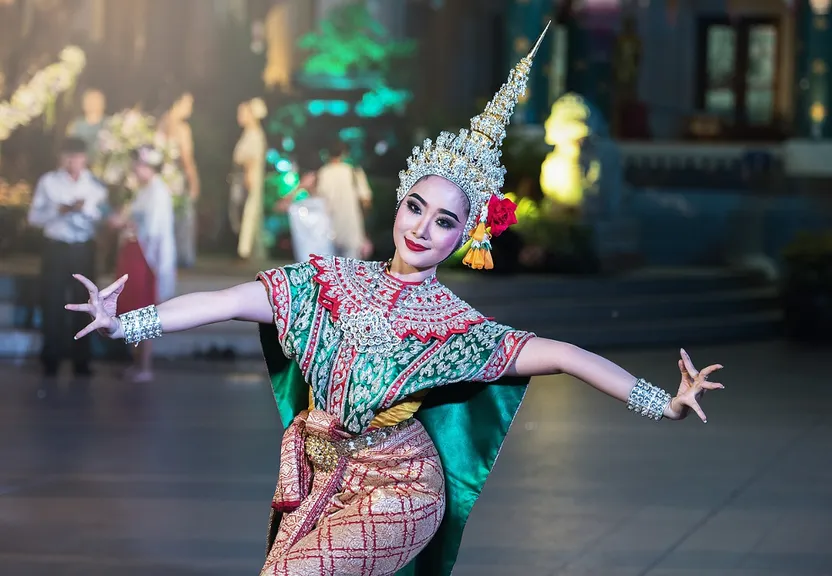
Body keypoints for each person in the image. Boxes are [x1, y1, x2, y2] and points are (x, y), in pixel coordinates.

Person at [66, 27, 725, 576]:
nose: (420, 227)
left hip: (402, 489)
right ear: (400, 202)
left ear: (465, 235)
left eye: (444, 221)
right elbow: (230, 300)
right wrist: (127, 322)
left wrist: (661, 403)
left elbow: (563, 356)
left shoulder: (457, 329)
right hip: (323, 471)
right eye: (416, 206)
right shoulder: (326, 283)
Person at [28, 137, 107, 377]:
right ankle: (50, 358)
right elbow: (33, 218)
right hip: (56, 248)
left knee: (85, 303)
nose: (73, 162)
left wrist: (85, 210)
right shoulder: (49, 182)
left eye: (78, 156)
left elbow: (104, 218)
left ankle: (81, 360)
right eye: (68, 156)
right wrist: (56, 211)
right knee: (52, 302)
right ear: (61, 157)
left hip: (82, 249)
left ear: (85, 158)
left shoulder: (95, 186)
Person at [109, 145, 177, 382]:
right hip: (133, 252)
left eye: (138, 165)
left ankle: (145, 364)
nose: (135, 170)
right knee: (131, 305)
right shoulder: (144, 190)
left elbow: (154, 229)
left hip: (144, 255)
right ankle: (136, 361)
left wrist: (126, 224)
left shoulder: (158, 192)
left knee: (143, 306)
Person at [281, 141, 373, 259]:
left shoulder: (323, 173)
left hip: (327, 227)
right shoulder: (354, 172)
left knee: (330, 266)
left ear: (327, 154)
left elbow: (315, 197)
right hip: (351, 226)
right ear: (345, 154)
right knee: (351, 267)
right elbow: (366, 200)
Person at [157, 92, 199, 267]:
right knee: (183, 218)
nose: (190, 108)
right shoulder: (182, 128)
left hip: (159, 178)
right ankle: (181, 259)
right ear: (178, 102)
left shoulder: (160, 123)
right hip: (175, 179)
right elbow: (186, 158)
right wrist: (194, 181)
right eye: (188, 103)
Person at [231, 97, 269, 260]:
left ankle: (245, 251)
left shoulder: (255, 134)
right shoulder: (248, 133)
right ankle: (247, 250)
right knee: (244, 212)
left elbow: (252, 159)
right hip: (242, 176)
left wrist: (248, 177)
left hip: (250, 177)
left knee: (249, 212)